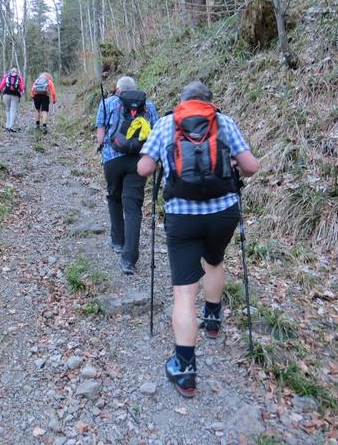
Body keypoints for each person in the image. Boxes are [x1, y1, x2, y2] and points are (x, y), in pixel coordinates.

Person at [137, 81, 260, 398]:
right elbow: (251, 167)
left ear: (182, 101)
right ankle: (214, 318)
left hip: (182, 217)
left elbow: (143, 168)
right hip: (223, 213)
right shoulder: (224, 121)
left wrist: (164, 159)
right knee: (215, 260)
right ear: (209, 101)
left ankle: (185, 368)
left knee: (183, 291)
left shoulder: (167, 123)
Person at [96, 76, 159, 275]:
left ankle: (117, 241)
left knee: (114, 197)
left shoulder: (107, 103)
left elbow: (101, 132)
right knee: (133, 207)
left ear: (117, 89)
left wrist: (101, 146)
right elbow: (155, 134)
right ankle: (129, 260)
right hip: (139, 161)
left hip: (113, 159)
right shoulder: (148, 106)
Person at [0, 68, 24, 132]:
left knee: (7, 110)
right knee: (13, 111)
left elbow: (0, 87)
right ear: (17, 72)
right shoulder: (19, 78)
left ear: (10, 72)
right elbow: (21, 88)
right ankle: (12, 127)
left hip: (6, 95)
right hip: (15, 95)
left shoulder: (6, 77)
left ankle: (7, 126)